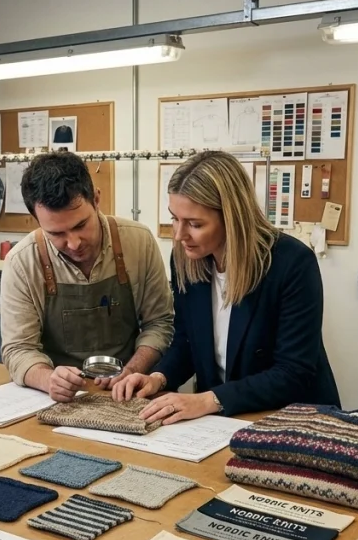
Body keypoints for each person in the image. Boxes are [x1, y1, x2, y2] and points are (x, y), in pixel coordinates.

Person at [116, 150, 340, 423]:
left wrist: (208, 400)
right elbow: (187, 342)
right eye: (174, 218)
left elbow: (293, 372)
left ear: (232, 218)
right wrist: (158, 377)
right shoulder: (186, 259)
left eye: (194, 224)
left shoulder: (292, 263)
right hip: (223, 420)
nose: (179, 235)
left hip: (291, 418)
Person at [0, 151, 174, 402]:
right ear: (36, 220)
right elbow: (18, 349)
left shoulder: (138, 241)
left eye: (80, 225)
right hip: (59, 399)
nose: (73, 243)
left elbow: (159, 323)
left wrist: (132, 370)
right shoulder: (21, 262)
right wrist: (49, 380)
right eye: (56, 233)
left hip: (128, 392)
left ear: (96, 199)